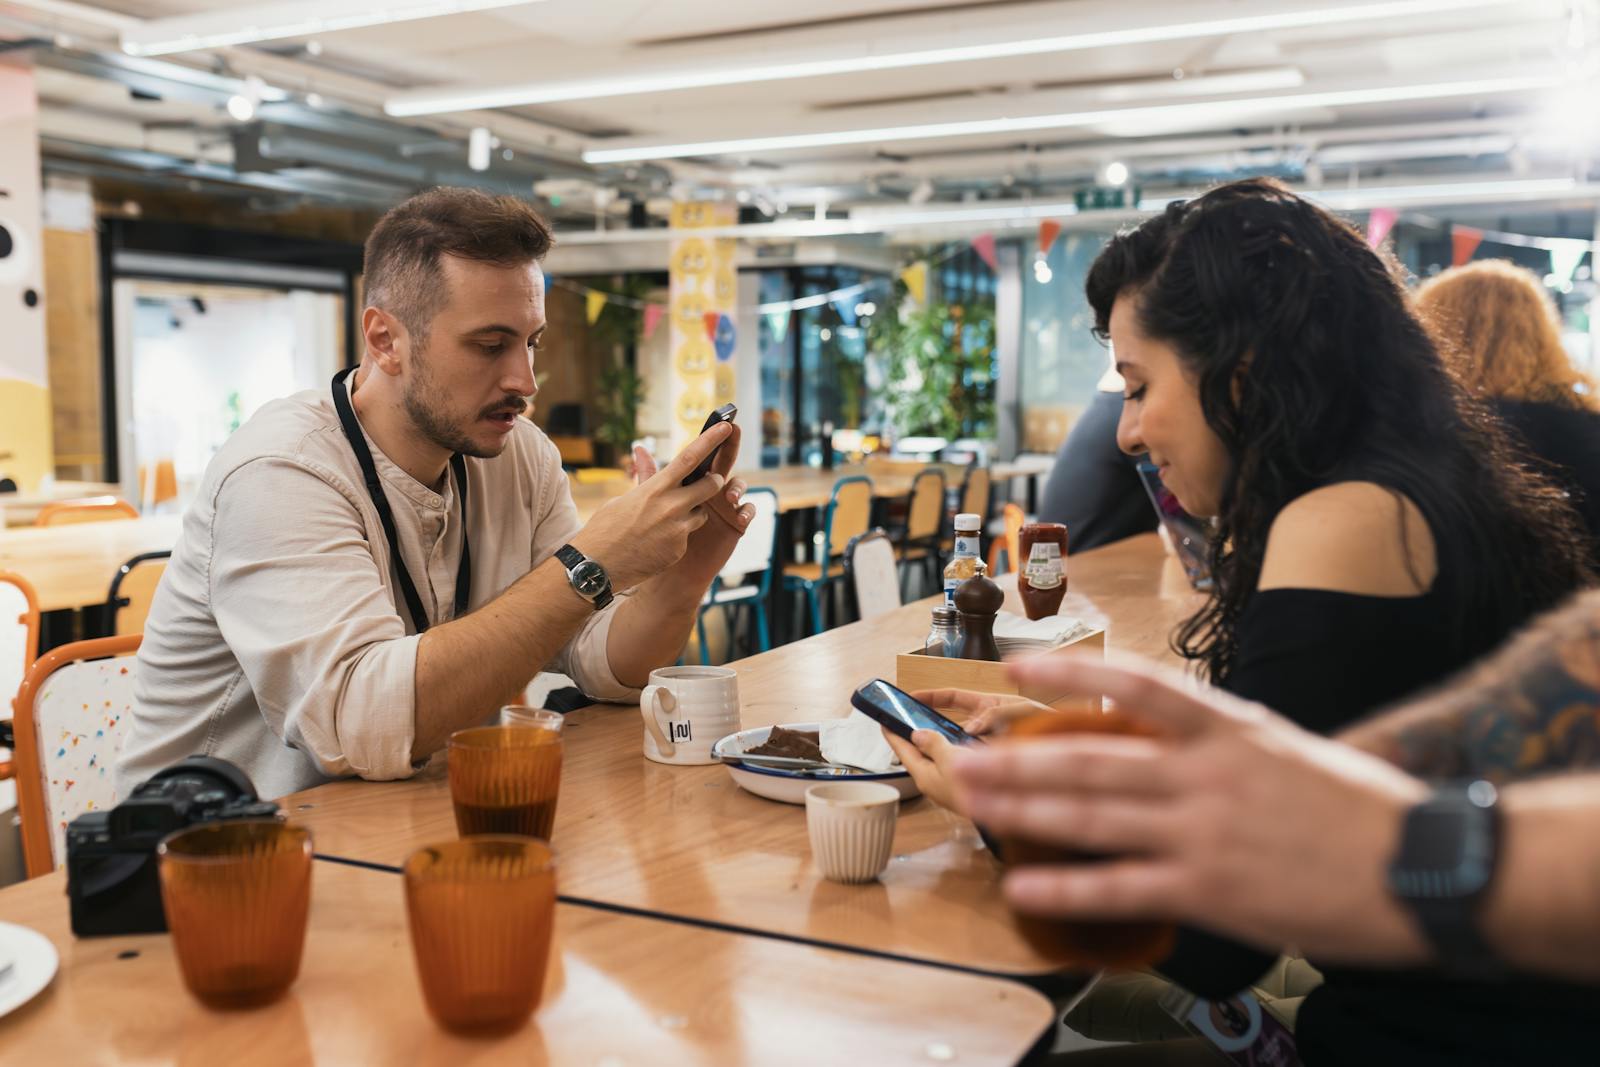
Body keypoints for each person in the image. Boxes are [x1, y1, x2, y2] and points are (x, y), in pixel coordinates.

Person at [888, 178, 1595, 1063]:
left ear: (1243, 368)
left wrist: (1003, 804)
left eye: (1140, 387)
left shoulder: (1347, 522)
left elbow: (1214, 934)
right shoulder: (1428, 489)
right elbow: (1321, 778)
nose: (1126, 433)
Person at [117, 187, 755, 799]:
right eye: (489, 345)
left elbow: (596, 663)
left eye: (531, 342)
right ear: (385, 340)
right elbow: (359, 727)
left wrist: (685, 572)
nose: (525, 380)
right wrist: (589, 564)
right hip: (211, 857)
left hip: (403, 819)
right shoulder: (280, 473)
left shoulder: (518, 455)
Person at [1415, 259, 1600, 564]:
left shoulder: (1424, 428)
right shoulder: (1586, 426)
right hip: (1570, 597)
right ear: (1542, 331)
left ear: (1433, 333)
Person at [1036, 356, 1157, 553]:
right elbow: (1186, 524)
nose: (1127, 438)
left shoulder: (1107, 410)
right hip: (1078, 569)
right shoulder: (1126, 416)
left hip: (1060, 565)